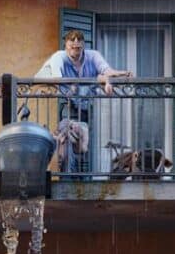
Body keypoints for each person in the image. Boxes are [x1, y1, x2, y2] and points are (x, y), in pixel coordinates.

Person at [35, 29, 131, 172]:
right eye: (72, 44)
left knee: (81, 146)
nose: (75, 47)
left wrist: (113, 78)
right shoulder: (59, 57)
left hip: (85, 109)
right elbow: (57, 77)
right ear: (66, 45)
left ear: (83, 46)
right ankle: (66, 166)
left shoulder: (92, 56)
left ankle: (67, 142)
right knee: (70, 138)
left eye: (79, 45)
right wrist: (69, 85)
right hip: (68, 107)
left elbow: (105, 71)